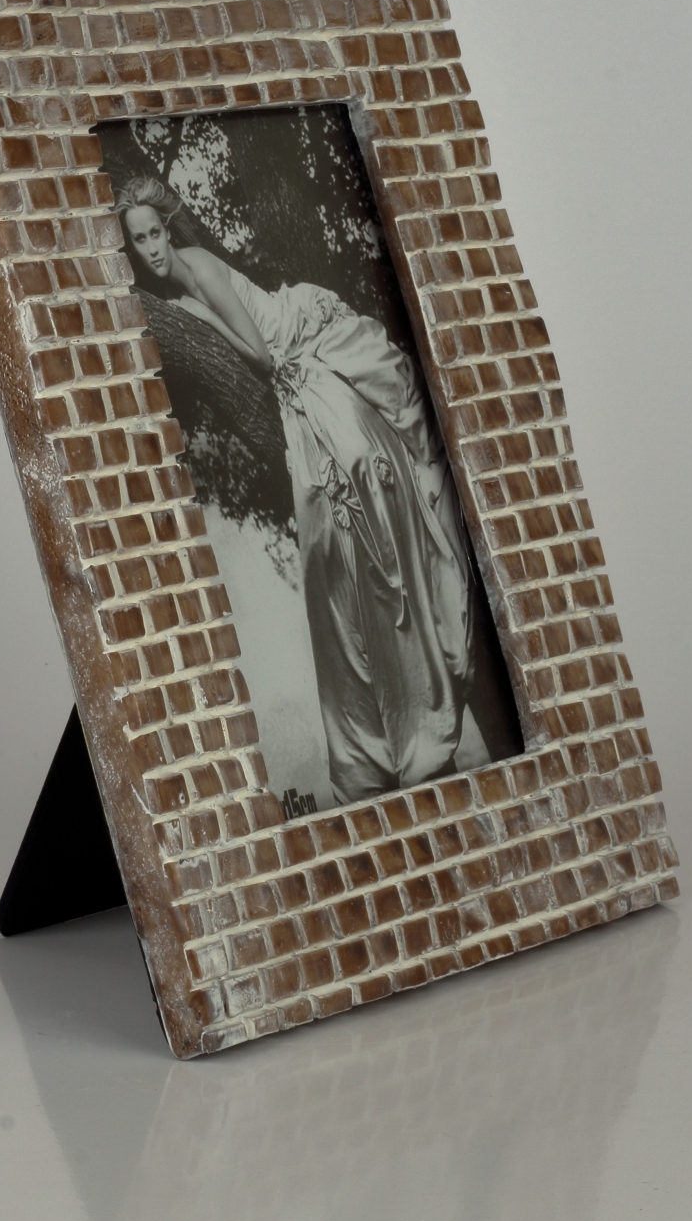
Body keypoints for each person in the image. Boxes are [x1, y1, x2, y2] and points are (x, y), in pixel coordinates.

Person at [115, 173, 484, 805]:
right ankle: (381, 733)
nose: (151, 250)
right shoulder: (171, 287)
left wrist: (198, 318)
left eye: (155, 235)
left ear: (167, 231)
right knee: (332, 546)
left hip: (297, 340)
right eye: (138, 242)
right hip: (281, 356)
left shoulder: (198, 269)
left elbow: (260, 358)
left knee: (365, 469)